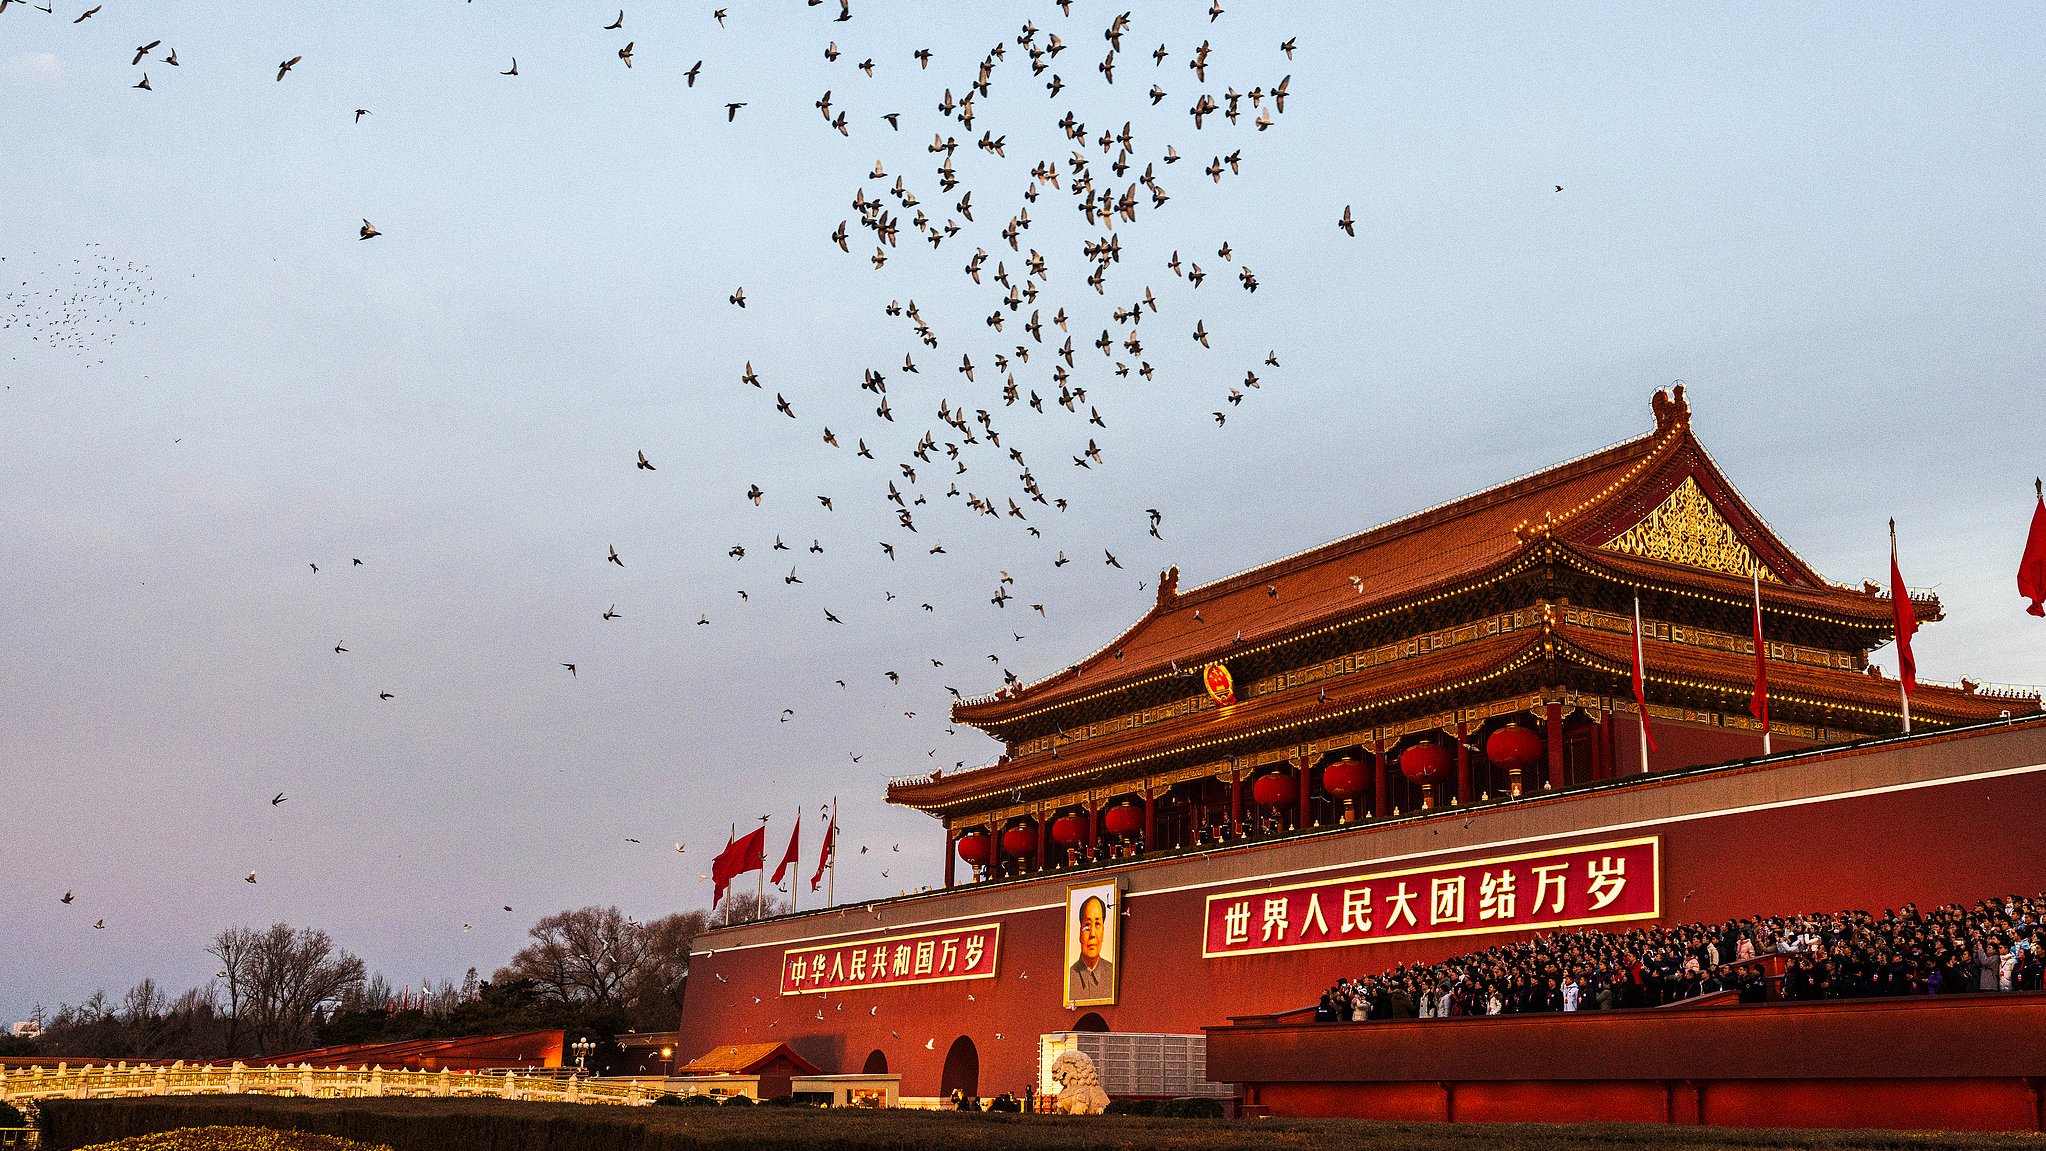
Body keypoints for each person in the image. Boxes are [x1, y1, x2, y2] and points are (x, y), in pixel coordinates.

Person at [1069, 896, 1115, 1002]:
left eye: (1097, 924)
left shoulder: (1113, 974)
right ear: (1080, 933)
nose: (1092, 934)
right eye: (1087, 925)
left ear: (1103, 933)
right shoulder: (1069, 978)